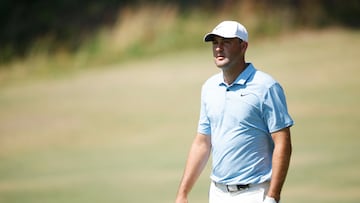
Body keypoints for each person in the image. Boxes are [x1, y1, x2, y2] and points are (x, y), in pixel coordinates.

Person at [175, 21, 294, 203]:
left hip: (254, 193)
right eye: (215, 43)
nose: (218, 49)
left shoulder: (266, 87)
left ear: (243, 46)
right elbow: (202, 143)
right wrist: (182, 193)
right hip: (217, 193)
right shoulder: (209, 87)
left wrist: (273, 196)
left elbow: (283, 142)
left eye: (226, 42)